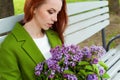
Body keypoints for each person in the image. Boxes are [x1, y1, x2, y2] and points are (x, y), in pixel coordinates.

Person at [0, 0, 68, 80]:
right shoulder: (9, 47)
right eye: (50, 12)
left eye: (57, 13)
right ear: (34, 7)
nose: (55, 19)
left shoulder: (54, 36)